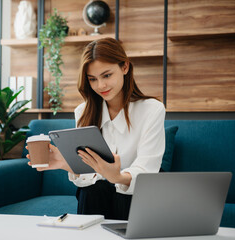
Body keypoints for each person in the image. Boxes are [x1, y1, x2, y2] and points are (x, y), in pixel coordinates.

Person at [27, 37, 165, 220]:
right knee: (94, 189)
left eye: (107, 75)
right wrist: (65, 164)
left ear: (125, 67)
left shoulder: (152, 109)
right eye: (93, 79)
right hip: (97, 194)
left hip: (138, 195)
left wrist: (117, 177)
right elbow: (86, 177)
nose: (101, 86)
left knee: (122, 194)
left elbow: (147, 169)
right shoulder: (83, 111)